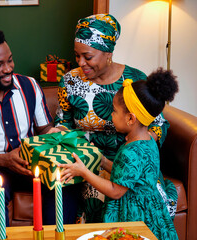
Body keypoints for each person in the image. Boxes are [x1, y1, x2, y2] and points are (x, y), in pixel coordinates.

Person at [0, 27, 82, 227]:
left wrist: (56, 135)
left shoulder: (29, 86)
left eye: (9, 60)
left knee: (64, 183)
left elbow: (44, 129)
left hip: (33, 162)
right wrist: (5, 160)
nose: (8, 68)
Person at [54, 13, 177, 223]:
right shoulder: (70, 81)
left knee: (143, 201)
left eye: (88, 56)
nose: (81, 63)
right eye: (77, 56)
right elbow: (63, 122)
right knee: (92, 197)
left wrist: (136, 153)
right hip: (87, 161)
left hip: (131, 163)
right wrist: (60, 135)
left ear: (107, 52)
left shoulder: (134, 80)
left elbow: (157, 124)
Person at [59, 68, 179, 239]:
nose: (111, 114)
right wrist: (101, 160)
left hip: (134, 214)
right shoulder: (147, 141)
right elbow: (126, 173)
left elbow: (116, 190)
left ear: (131, 118)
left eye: (114, 111)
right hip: (151, 207)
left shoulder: (131, 151)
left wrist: (83, 172)